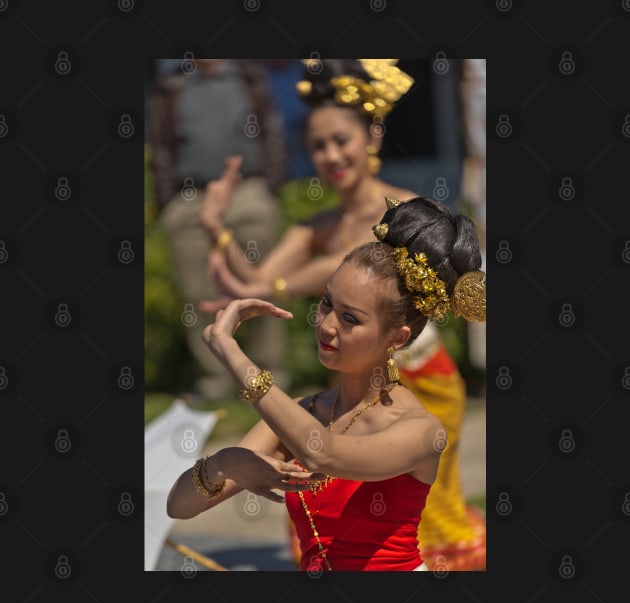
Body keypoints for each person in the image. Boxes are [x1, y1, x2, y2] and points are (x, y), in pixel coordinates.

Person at [197, 59, 487, 570]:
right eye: (318, 145)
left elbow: (282, 282)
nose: (331, 155)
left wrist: (239, 356)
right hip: (356, 382)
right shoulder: (320, 226)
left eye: (340, 140)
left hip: (422, 381)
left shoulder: (402, 219)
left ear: (372, 135)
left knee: (426, 517)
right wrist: (214, 225)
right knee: (330, 499)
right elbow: (255, 283)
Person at [166, 195, 486, 572]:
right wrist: (224, 463)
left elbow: (323, 454)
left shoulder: (420, 430)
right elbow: (179, 506)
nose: (327, 324)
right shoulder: (304, 412)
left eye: (350, 318)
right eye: (326, 303)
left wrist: (233, 355)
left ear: (396, 338)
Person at [145, 58, 290, 401]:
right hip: (191, 197)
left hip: (248, 191)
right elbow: (161, 146)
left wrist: (271, 185)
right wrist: (169, 201)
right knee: (198, 294)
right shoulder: (171, 85)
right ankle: (215, 381)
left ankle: (271, 374)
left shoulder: (250, 75)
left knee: (261, 283)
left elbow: (272, 129)